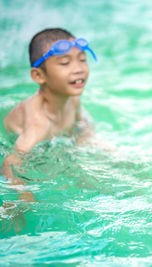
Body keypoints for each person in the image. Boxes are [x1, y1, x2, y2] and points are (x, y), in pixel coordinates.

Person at [1, 28, 97, 202]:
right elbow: (10, 163)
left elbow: (81, 128)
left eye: (82, 60)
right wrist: (24, 196)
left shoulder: (72, 100)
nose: (78, 69)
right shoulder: (39, 123)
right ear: (39, 75)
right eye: (65, 63)